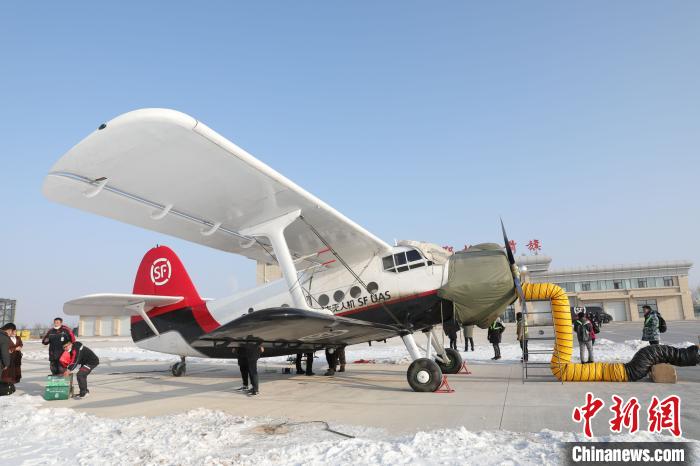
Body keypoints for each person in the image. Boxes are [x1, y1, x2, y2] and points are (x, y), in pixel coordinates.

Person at [0, 323, 15, 396]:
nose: (12, 334)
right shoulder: (4, 337)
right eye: (13, 331)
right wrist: (6, 363)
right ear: (9, 330)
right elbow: (4, 353)